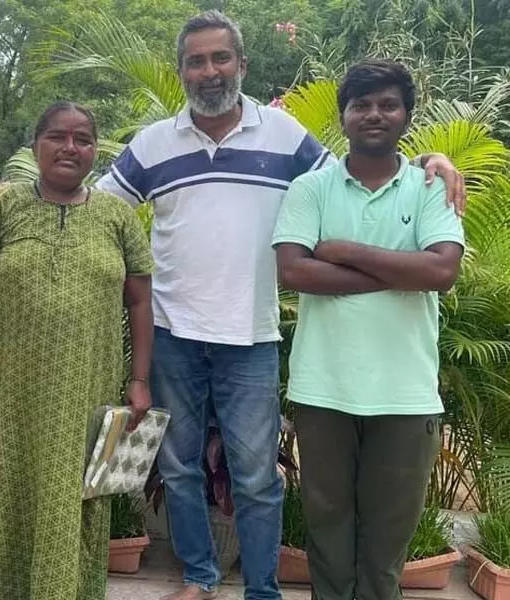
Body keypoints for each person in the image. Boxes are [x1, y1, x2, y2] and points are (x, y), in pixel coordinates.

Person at [94, 11, 467, 600]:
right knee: (179, 467)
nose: (209, 71)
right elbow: (96, 210)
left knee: (256, 477)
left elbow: (362, 170)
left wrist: (427, 164)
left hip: (253, 336)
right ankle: (198, 576)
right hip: (172, 333)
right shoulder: (152, 144)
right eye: (197, 60)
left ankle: (262, 589)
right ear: (182, 70)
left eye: (221, 59)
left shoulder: (287, 138)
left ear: (241, 64)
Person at [273, 59, 464, 600]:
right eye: (361, 105)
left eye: (387, 104)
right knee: (328, 539)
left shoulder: (430, 188)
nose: (374, 114)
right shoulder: (311, 189)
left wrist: (346, 253)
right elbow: (294, 271)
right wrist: (397, 271)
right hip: (324, 390)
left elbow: (441, 272)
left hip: (404, 395)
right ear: (344, 116)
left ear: (407, 115)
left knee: (385, 547)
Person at [0, 101, 155, 600]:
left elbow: (141, 299)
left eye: (83, 139)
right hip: (10, 391)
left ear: (95, 150)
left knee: (80, 496)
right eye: (57, 137)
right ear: (36, 144)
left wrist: (140, 381)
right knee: (9, 491)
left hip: (89, 389)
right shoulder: (3, 207)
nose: (70, 147)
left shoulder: (117, 217)